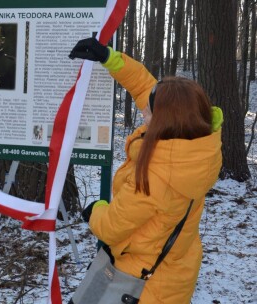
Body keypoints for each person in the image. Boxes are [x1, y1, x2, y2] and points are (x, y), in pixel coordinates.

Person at [69, 38, 222, 303]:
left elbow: (111, 227)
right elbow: (145, 87)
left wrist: (94, 209)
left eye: (149, 114)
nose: (143, 114)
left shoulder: (156, 176)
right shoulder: (194, 146)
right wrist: (109, 57)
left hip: (139, 285)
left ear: (164, 121)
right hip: (175, 271)